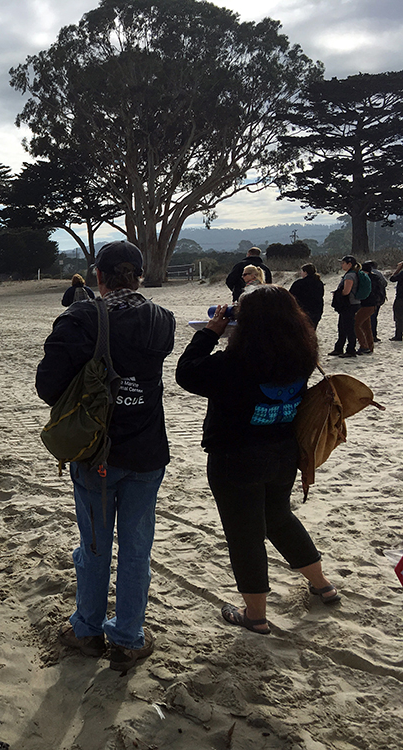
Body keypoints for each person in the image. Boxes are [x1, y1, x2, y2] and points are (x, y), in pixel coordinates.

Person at [36, 241, 175, 673]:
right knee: (137, 548)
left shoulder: (80, 319)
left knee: (94, 545)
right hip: (148, 448)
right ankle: (129, 637)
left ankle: (87, 629)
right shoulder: (162, 320)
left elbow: (47, 386)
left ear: (98, 275)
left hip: (97, 449)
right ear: (138, 274)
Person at [176, 285, 340, 636]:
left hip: (234, 457)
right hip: (283, 453)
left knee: (244, 534)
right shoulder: (303, 355)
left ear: (246, 323)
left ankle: (255, 615)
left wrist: (210, 332)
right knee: (279, 518)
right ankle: (322, 584)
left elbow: (186, 373)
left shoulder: (233, 363)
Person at [330, 256, 362, 358]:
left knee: (348, 328)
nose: (341, 265)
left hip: (349, 304)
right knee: (342, 326)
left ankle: (350, 350)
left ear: (349, 264)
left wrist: (338, 294)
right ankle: (339, 348)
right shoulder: (353, 274)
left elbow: (346, 291)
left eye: (343, 263)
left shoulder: (350, 276)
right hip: (352, 304)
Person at [288, 263, 324, 328]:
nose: (301, 273)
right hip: (317, 310)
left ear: (305, 272)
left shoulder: (299, 283)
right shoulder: (319, 282)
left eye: (302, 271)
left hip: (303, 310)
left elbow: (290, 296)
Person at [355, 262, 379, 354]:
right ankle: (370, 346)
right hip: (373, 304)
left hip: (367, 305)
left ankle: (364, 346)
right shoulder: (375, 278)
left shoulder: (366, 279)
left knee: (356, 324)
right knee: (366, 327)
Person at [362, 261, 388, 343]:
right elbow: (385, 283)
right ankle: (374, 335)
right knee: (374, 317)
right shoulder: (378, 274)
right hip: (379, 299)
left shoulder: (366, 275)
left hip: (369, 300)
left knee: (366, 318)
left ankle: (367, 336)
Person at [391, 261, 403, 341]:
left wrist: (398, 269)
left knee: (399, 317)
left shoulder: (402, 273)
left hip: (401, 298)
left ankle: (398, 335)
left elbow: (392, 279)